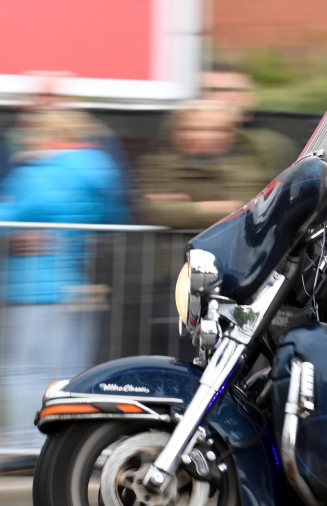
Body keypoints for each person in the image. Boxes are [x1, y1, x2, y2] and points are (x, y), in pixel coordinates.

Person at [0, 108, 129, 454]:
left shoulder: (41, 174)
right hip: (75, 281)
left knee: (26, 368)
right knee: (68, 368)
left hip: (35, 286)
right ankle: (66, 444)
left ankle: (28, 444)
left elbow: (9, 216)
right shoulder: (97, 170)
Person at [135, 99, 265, 229]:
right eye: (191, 129)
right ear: (173, 133)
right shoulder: (155, 164)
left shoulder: (246, 163)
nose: (204, 136)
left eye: (217, 130)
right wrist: (223, 207)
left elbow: (249, 211)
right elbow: (155, 212)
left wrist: (187, 208)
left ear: (232, 134)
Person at [201, 64, 298, 183]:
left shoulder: (273, 145)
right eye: (214, 90)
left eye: (238, 91)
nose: (227, 97)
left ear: (253, 97)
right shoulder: (175, 142)